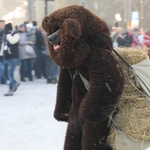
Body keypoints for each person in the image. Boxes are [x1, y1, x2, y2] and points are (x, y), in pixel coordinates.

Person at [3, 23, 20, 96]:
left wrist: (8, 34)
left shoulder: (16, 34)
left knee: (10, 75)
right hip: (5, 57)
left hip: (13, 58)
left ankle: (10, 90)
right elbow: (4, 45)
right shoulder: (5, 35)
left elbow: (12, 41)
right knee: (4, 74)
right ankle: (15, 83)